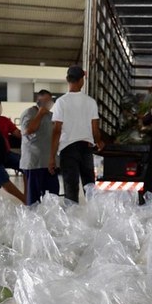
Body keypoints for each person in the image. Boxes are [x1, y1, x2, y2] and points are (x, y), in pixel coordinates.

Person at [49, 66, 104, 204]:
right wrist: (99, 142)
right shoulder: (90, 102)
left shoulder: (61, 102)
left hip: (67, 150)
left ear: (67, 79)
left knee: (71, 188)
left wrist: (52, 156)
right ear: (82, 81)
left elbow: (56, 131)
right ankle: (94, 217)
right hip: (86, 148)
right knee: (90, 187)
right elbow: (95, 128)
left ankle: (72, 221)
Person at [20, 90, 58, 205]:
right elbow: (28, 130)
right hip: (34, 163)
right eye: (45, 100)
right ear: (39, 101)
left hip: (49, 163)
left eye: (50, 100)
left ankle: (50, 220)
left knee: (53, 196)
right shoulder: (29, 113)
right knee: (34, 200)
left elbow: (55, 136)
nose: (48, 103)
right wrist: (40, 113)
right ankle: (33, 221)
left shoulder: (51, 116)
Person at [0, 99, 22, 172]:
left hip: (6, 154)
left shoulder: (5, 120)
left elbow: (18, 134)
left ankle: (29, 183)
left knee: (25, 165)